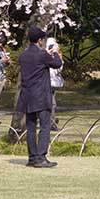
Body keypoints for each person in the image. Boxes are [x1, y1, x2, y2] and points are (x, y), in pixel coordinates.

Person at [16, 26, 62, 168]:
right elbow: (57, 64)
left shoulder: (23, 55)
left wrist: (47, 54)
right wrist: (54, 53)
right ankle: (41, 156)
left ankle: (32, 157)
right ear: (40, 40)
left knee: (30, 127)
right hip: (41, 96)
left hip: (27, 95)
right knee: (44, 126)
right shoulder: (43, 55)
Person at [46, 36, 64, 131]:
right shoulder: (45, 56)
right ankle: (50, 122)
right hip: (46, 83)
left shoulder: (56, 56)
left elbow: (58, 69)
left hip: (53, 84)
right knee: (51, 104)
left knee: (52, 104)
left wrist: (59, 59)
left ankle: (50, 121)